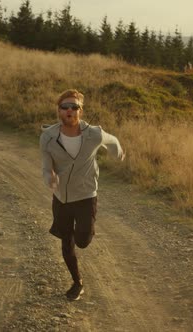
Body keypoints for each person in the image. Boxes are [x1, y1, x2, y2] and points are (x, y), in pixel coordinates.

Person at [40, 89, 125, 301]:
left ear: (80, 110)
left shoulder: (93, 134)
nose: (69, 110)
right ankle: (77, 283)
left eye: (74, 107)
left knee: (83, 241)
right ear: (59, 111)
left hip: (86, 196)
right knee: (66, 243)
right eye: (65, 107)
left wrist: (118, 153)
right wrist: (49, 176)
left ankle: (85, 232)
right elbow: (45, 165)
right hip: (62, 198)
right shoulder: (48, 136)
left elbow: (112, 140)